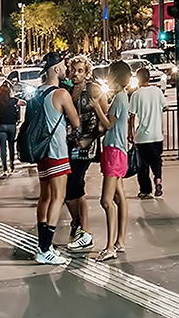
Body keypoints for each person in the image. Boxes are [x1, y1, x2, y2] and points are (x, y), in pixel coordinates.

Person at [21, 53, 81, 266]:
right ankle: (45, 249)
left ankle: (42, 245)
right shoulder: (61, 94)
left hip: (42, 152)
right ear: (55, 69)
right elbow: (76, 121)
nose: (65, 69)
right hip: (57, 151)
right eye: (63, 65)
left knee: (45, 197)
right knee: (58, 196)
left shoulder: (37, 92)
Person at [62, 55, 103, 252]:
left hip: (87, 145)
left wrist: (90, 138)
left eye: (80, 71)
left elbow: (104, 120)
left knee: (75, 183)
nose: (76, 74)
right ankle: (77, 221)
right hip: (69, 143)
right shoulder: (68, 91)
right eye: (73, 70)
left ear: (87, 72)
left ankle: (84, 231)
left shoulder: (93, 89)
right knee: (68, 188)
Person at [96, 60, 135, 261]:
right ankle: (119, 241)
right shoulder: (122, 96)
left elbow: (108, 125)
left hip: (114, 151)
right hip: (118, 151)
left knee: (107, 200)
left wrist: (96, 107)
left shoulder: (119, 97)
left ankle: (110, 247)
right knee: (120, 198)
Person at [130, 64, 166, 199]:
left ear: (138, 79)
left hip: (142, 137)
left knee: (143, 166)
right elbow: (165, 106)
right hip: (157, 136)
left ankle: (145, 190)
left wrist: (130, 133)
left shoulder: (136, 94)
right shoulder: (157, 91)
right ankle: (158, 179)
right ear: (149, 78)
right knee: (156, 161)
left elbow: (132, 115)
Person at [0, 76, 21, 174]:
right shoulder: (13, 100)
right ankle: (12, 165)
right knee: (11, 146)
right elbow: (23, 103)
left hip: (1, 125)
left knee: (3, 147)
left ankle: (4, 168)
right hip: (11, 125)